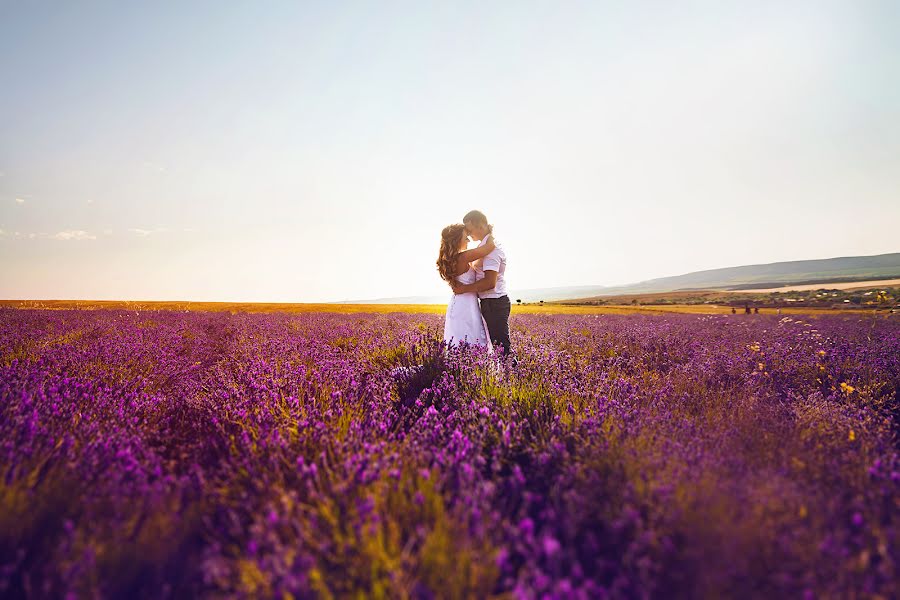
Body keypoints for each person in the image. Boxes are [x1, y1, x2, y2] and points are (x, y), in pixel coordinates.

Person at [451, 210, 512, 356]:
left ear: (481, 225)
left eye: (470, 230)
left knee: (501, 346)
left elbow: (490, 283)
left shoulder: (492, 250)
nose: (469, 235)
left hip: (494, 303)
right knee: (494, 344)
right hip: (489, 302)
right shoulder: (484, 247)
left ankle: (512, 375)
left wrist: (465, 288)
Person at [437, 224, 496, 350]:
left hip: (458, 303)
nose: (468, 240)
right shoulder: (463, 257)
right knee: (471, 337)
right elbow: (490, 247)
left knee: (461, 339)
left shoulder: (451, 259)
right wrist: (489, 233)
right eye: (466, 237)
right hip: (466, 306)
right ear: (457, 240)